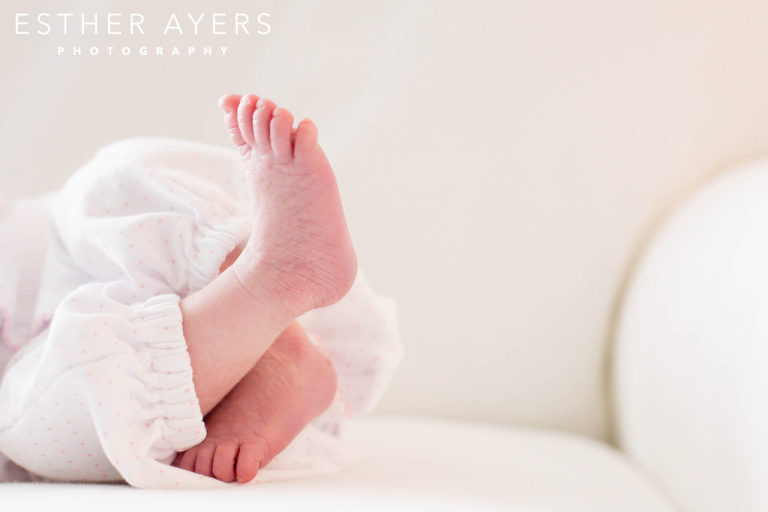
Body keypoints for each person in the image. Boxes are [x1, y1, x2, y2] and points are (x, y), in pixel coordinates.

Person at [0, 93, 402, 488]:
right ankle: (272, 313)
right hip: (187, 396)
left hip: (113, 257)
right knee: (28, 431)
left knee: (109, 184)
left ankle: (268, 280)